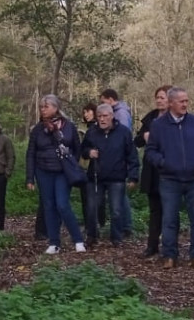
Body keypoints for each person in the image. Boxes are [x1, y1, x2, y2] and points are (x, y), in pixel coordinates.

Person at [144, 87, 194, 268]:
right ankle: (169, 256)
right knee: (169, 219)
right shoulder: (158, 125)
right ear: (171, 103)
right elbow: (151, 151)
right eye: (181, 101)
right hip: (169, 179)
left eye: (187, 101)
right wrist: (163, 163)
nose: (185, 104)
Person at [25, 95, 87, 254]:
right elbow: (31, 152)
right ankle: (54, 242)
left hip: (62, 171)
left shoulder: (69, 126)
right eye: (41, 107)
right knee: (49, 206)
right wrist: (30, 177)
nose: (42, 110)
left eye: (46, 106)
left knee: (62, 204)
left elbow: (76, 148)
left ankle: (78, 239)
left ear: (56, 108)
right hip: (43, 171)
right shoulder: (37, 129)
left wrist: (70, 164)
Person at [84, 101, 139, 245]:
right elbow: (82, 150)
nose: (102, 119)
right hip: (95, 176)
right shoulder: (92, 132)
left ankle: (116, 237)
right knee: (92, 208)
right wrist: (89, 152)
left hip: (116, 177)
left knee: (116, 210)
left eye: (105, 116)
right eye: (99, 116)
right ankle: (92, 235)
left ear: (112, 116)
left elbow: (132, 155)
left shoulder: (123, 133)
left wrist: (133, 176)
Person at [135, 85, 172, 258]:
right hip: (151, 171)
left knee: (169, 211)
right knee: (154, 210)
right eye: (157, 97)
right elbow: (137, 142)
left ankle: (169, 247)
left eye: (163, 97)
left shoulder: (176, 118)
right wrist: (144, 137)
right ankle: (152, 246)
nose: (159, 100)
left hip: (169, 170)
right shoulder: (149, 118)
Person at [75, 101, 101, 242]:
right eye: (84, 112)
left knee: (98, 199)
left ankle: (98, 224)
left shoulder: (100, 126)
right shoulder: (80, 127)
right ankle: (88, 225)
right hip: (83, 165)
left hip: (98, 166)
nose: (86, 115)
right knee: (85, 197)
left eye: (88, 111)